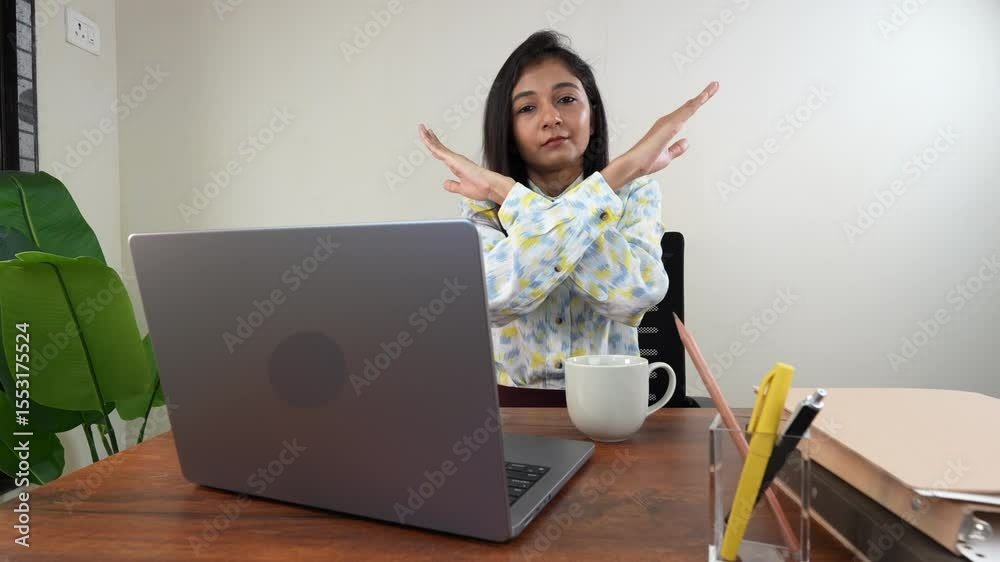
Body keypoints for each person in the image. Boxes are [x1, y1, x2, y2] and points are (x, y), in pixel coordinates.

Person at [419, 30, 718, 389]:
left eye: (566, 99)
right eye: (527, 108)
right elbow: (490, 300)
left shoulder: (635, 192)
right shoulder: (481, 200)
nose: (551, 118)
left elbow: (637, 295)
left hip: (611, 401)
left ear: (593, 116)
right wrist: (617, 174)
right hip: (510, 408)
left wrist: (510, 196)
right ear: (508, 129)